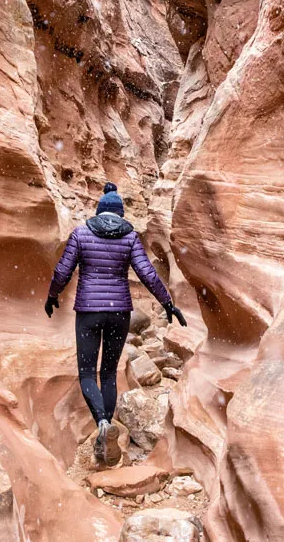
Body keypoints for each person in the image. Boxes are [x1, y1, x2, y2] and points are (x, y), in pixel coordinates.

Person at [45, 182, 187, 465]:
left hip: (88, 311)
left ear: (99, 211)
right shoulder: (130, 237)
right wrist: (168, 303)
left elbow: (64, 269)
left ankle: (101, 424)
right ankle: (107, 428)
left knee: (87, 374)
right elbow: (147, 273)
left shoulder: (82, 233)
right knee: (108, 373)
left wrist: (52, 295)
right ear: (121, 214)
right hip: (120, 312)